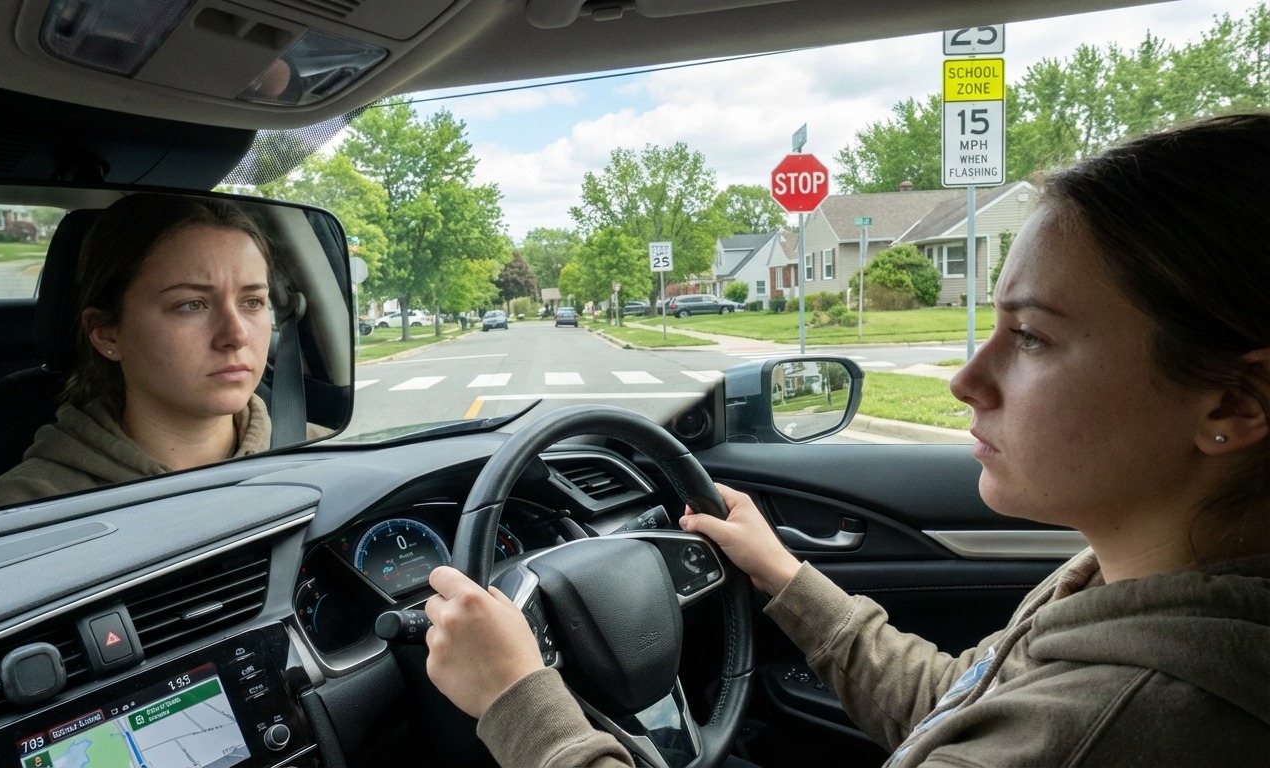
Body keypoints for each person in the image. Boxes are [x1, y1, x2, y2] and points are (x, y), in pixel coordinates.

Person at [421, 112, 1270, 766]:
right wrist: (783, 573)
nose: (967, 381)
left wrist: (519, 697)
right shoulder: (1133, 593)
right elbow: (954, 706)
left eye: (1033, 337)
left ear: (1235, 402)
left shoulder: (1117, 719)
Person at [0, 194, 283, 510]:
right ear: (106, 333)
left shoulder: (312, 449)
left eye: (252, 302)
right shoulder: (23, 509)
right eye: (191, 305)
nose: (237, 335)